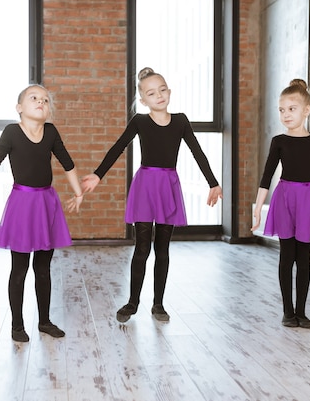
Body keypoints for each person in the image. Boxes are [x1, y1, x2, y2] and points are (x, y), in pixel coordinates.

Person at [81, 67, 223, 323]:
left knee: (163, 249)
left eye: (162, 89)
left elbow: (197, 152)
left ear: (169, 91)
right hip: (146, 186)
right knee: (142, 247)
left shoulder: (180, 121)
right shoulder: (140, 121)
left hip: (168, 186)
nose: (159, 95)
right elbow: (118, 147)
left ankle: (158, 304)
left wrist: (213, 182)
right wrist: (98, 174)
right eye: (151, 93)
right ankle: (133, 302)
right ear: (143, 100)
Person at [0, 84, 83, 343]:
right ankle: (17, 324)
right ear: (19, 108)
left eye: (46, 100)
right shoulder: (12, 132)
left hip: (46, 202)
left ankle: (44, 321)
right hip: (23, 203)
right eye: (34, 98)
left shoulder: (50, 132)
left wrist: (78, 192)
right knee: (19, 268)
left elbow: (67, 163)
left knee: (43, 267)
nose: (41, 102)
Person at [251, 78, 310, 329]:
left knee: (304, 257)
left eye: (291, 109)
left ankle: (301, 312)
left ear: (307, 110)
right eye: (281, 110)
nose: (285, 115)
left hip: (309, 200)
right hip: (285, 200)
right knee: (286, 255)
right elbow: (266, 176)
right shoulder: (279, 142)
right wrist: (258, 209)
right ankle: (287, 311)